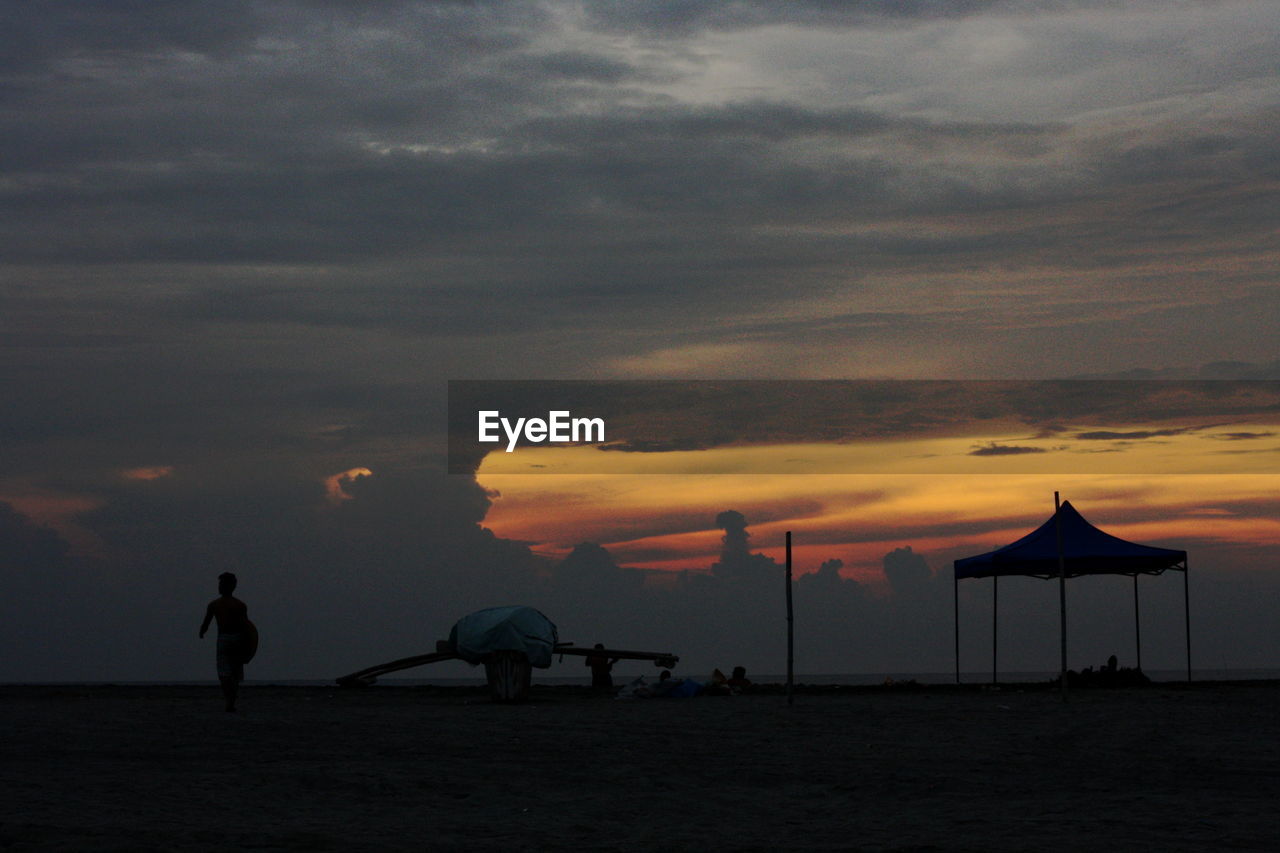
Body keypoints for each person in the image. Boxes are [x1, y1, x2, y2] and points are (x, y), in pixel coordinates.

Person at [199, 572, 249, 712]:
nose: (219, 586)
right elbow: (246, 626)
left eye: (221, 584)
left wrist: (202, 632)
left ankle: (229, 702)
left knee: (224, 673)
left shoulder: (214, 605)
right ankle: (231, 702)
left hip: (225, 639)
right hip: (238, 639)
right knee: (234, 673)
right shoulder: (240, 605)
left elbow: (206, 623)